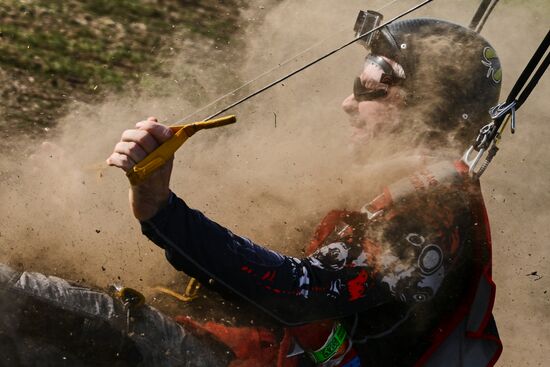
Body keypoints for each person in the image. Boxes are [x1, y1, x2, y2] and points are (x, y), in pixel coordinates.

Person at [108, 16, 503, 367]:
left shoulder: (431, 210)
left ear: (429, 112)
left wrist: (161, 209)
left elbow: (296, 291)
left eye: (372, 84)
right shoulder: (402, 187)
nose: (348, 102)